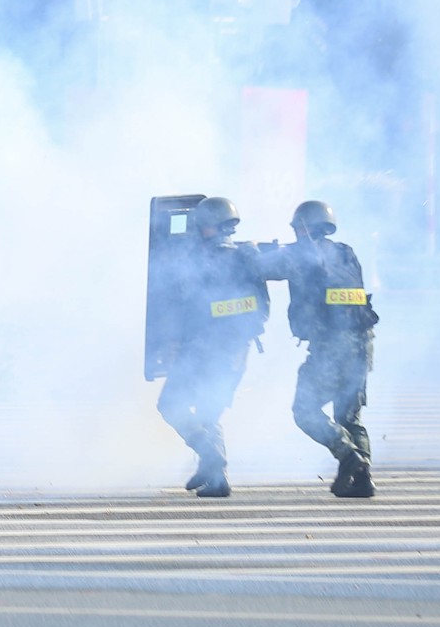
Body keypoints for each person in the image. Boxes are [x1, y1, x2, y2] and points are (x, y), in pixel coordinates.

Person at [258, 199, 379, 498]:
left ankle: (349, 456)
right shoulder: (346, 253)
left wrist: (252, 250)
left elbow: (259, 267)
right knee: (350, 417)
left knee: (305, 411)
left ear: (303, 227)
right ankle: (363, 480)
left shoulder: (298, 255)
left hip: (331, 347)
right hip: (363, 344)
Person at [152, 195, 271, 498]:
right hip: (235, 353)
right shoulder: (248, 257)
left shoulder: (198, 261)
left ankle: (210, 455)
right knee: (208, 412)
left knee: (170, 404)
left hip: (203, 350)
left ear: (207, 225)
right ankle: (217, 479)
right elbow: (261, 309)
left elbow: (181, 307)